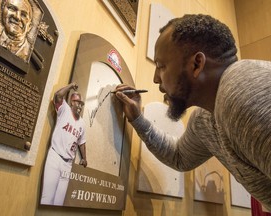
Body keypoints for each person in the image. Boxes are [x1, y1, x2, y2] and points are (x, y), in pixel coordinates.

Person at [114, 14, 271, 211]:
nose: (155, 78)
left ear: (197, 64)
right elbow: (179, 157)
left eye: (161, 66)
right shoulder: (206, 117)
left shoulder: (244, 90)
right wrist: (138, 119)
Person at [41, 82, 87, 206]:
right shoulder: (64, 109)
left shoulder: (82, 123)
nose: (79, 105)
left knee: (59, 203)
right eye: (77, 102)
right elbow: (57, 95)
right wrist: (71, 85)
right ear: (71, 102)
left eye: (81, 103)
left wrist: (84, 158)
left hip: (68, 164)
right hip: (55, 157)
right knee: (47, 199)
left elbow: (81, 142)